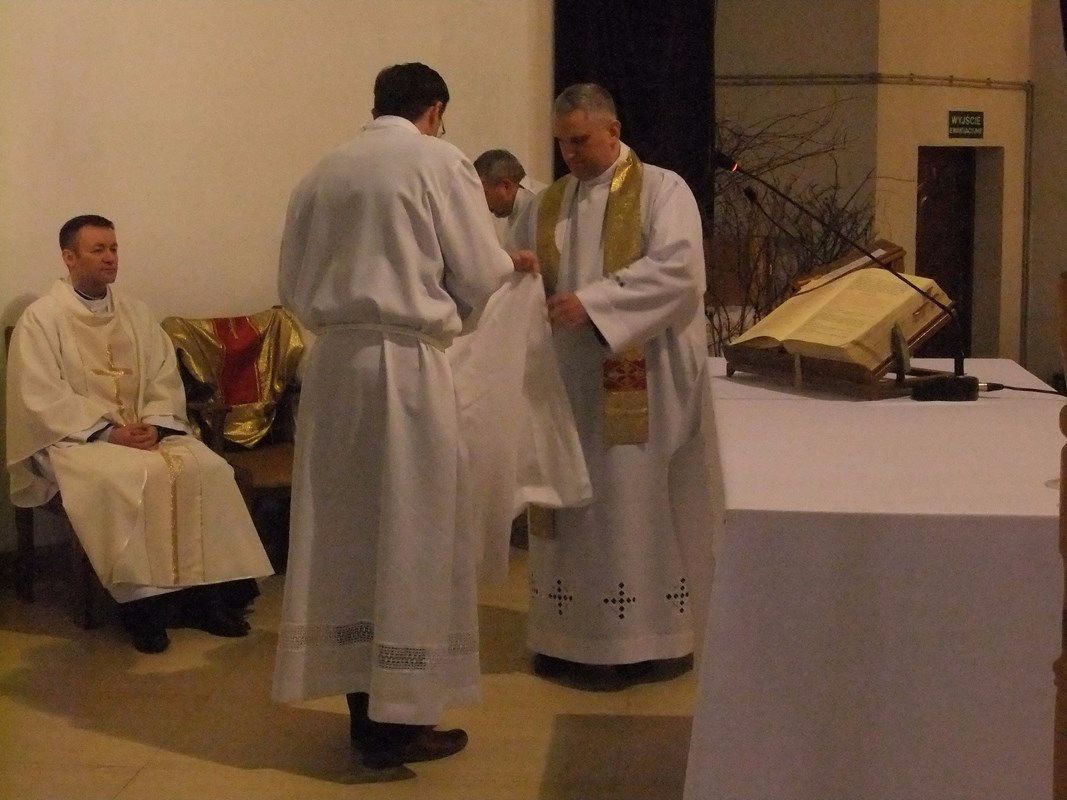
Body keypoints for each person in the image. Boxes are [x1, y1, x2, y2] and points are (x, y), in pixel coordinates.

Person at [272, 62, 538, 770]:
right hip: (404, 366)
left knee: (348, 541)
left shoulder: (323, 172)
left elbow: (291, 284)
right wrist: (490, 280)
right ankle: (399, 721)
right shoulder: (437, 161)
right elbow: (479, 270)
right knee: (412, 533)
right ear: (436, 110)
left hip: (334, 370)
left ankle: (366, 718)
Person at [511, 83, 711, 690]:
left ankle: (640, 642)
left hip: (640, 379)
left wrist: (595, 305)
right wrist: (519, 274)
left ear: (614, 131)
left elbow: (680, 269)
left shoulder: (662, 190)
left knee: (628, 502)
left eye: (580, 141)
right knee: (568, 503)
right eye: (562, 143)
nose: (569, 154)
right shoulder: (547, 203)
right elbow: (519, 273)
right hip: (566, 383)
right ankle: (564, 637)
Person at [6, 215, 274, 654]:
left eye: (113, 248)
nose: (110, 257)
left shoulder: (135, 313)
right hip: (77, 439)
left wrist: (156, 422)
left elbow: (162, 377)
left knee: (208, 468)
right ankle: (144, 611)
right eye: (98, 249)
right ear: (69, 257)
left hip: (144, 431)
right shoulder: (42, 319)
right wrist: (108, 433)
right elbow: (39, 396)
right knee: (123, 479)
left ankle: (207, 600)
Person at [473, 149, 546, 246]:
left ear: (505, 186)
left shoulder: (541, 205)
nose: (483, 203)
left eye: (485, 194)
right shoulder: (515, 205)